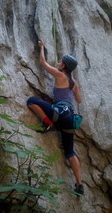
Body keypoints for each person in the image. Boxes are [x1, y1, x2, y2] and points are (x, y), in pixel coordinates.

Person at [27, 40, 84, 195]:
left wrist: (42, 47)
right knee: (70, 152)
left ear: (64, 66)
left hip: (59, 113)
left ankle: (47, 124)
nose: (59, 63)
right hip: (70, 119)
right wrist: (71, 91)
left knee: (31, 101)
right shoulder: (74, 83)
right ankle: (79, 184)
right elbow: (79, 100)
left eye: (61, 62)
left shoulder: (60, 75)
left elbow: (43, 63)